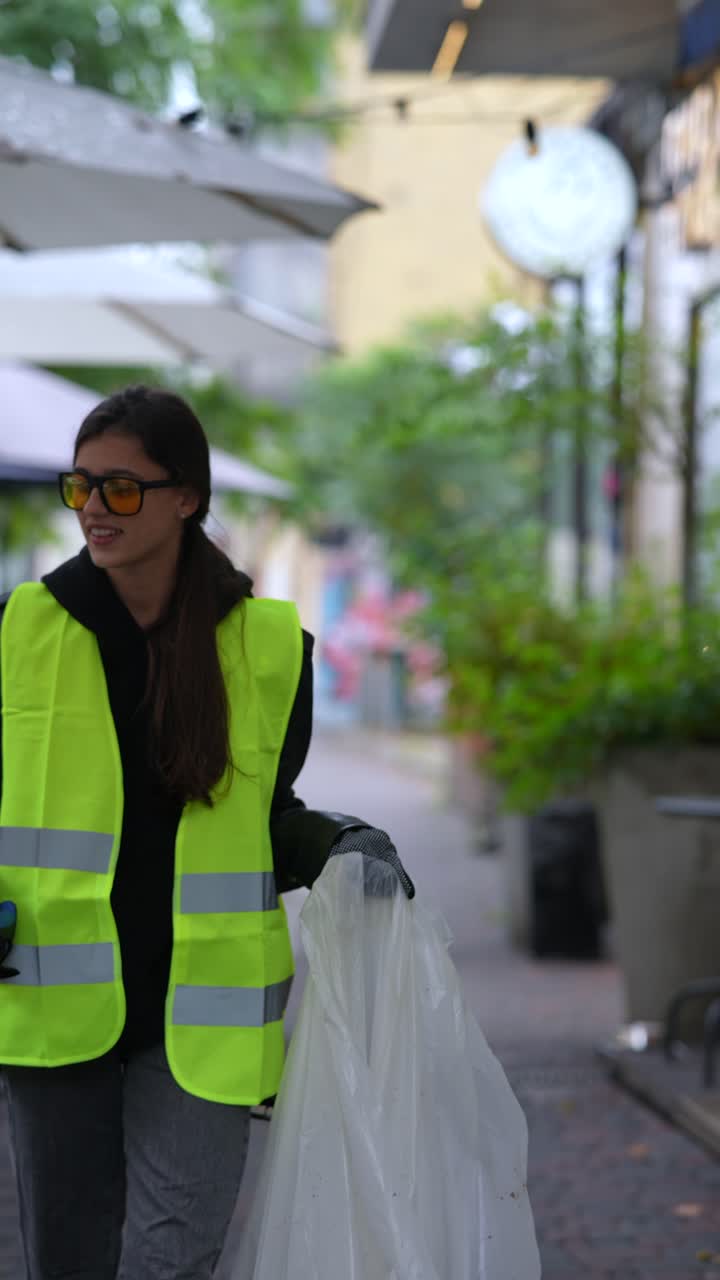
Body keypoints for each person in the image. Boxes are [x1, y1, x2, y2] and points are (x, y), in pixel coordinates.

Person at [0, 386, 414, 1280]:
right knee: (68, 1259)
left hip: (205, 1007)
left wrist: (339, 843)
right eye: (81, 488)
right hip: (51, 994)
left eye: (121, 489)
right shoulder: (21, 628)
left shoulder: (269, 644)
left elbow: (265, 815)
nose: (94, 511)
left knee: (173, 1259)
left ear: (186, 496)